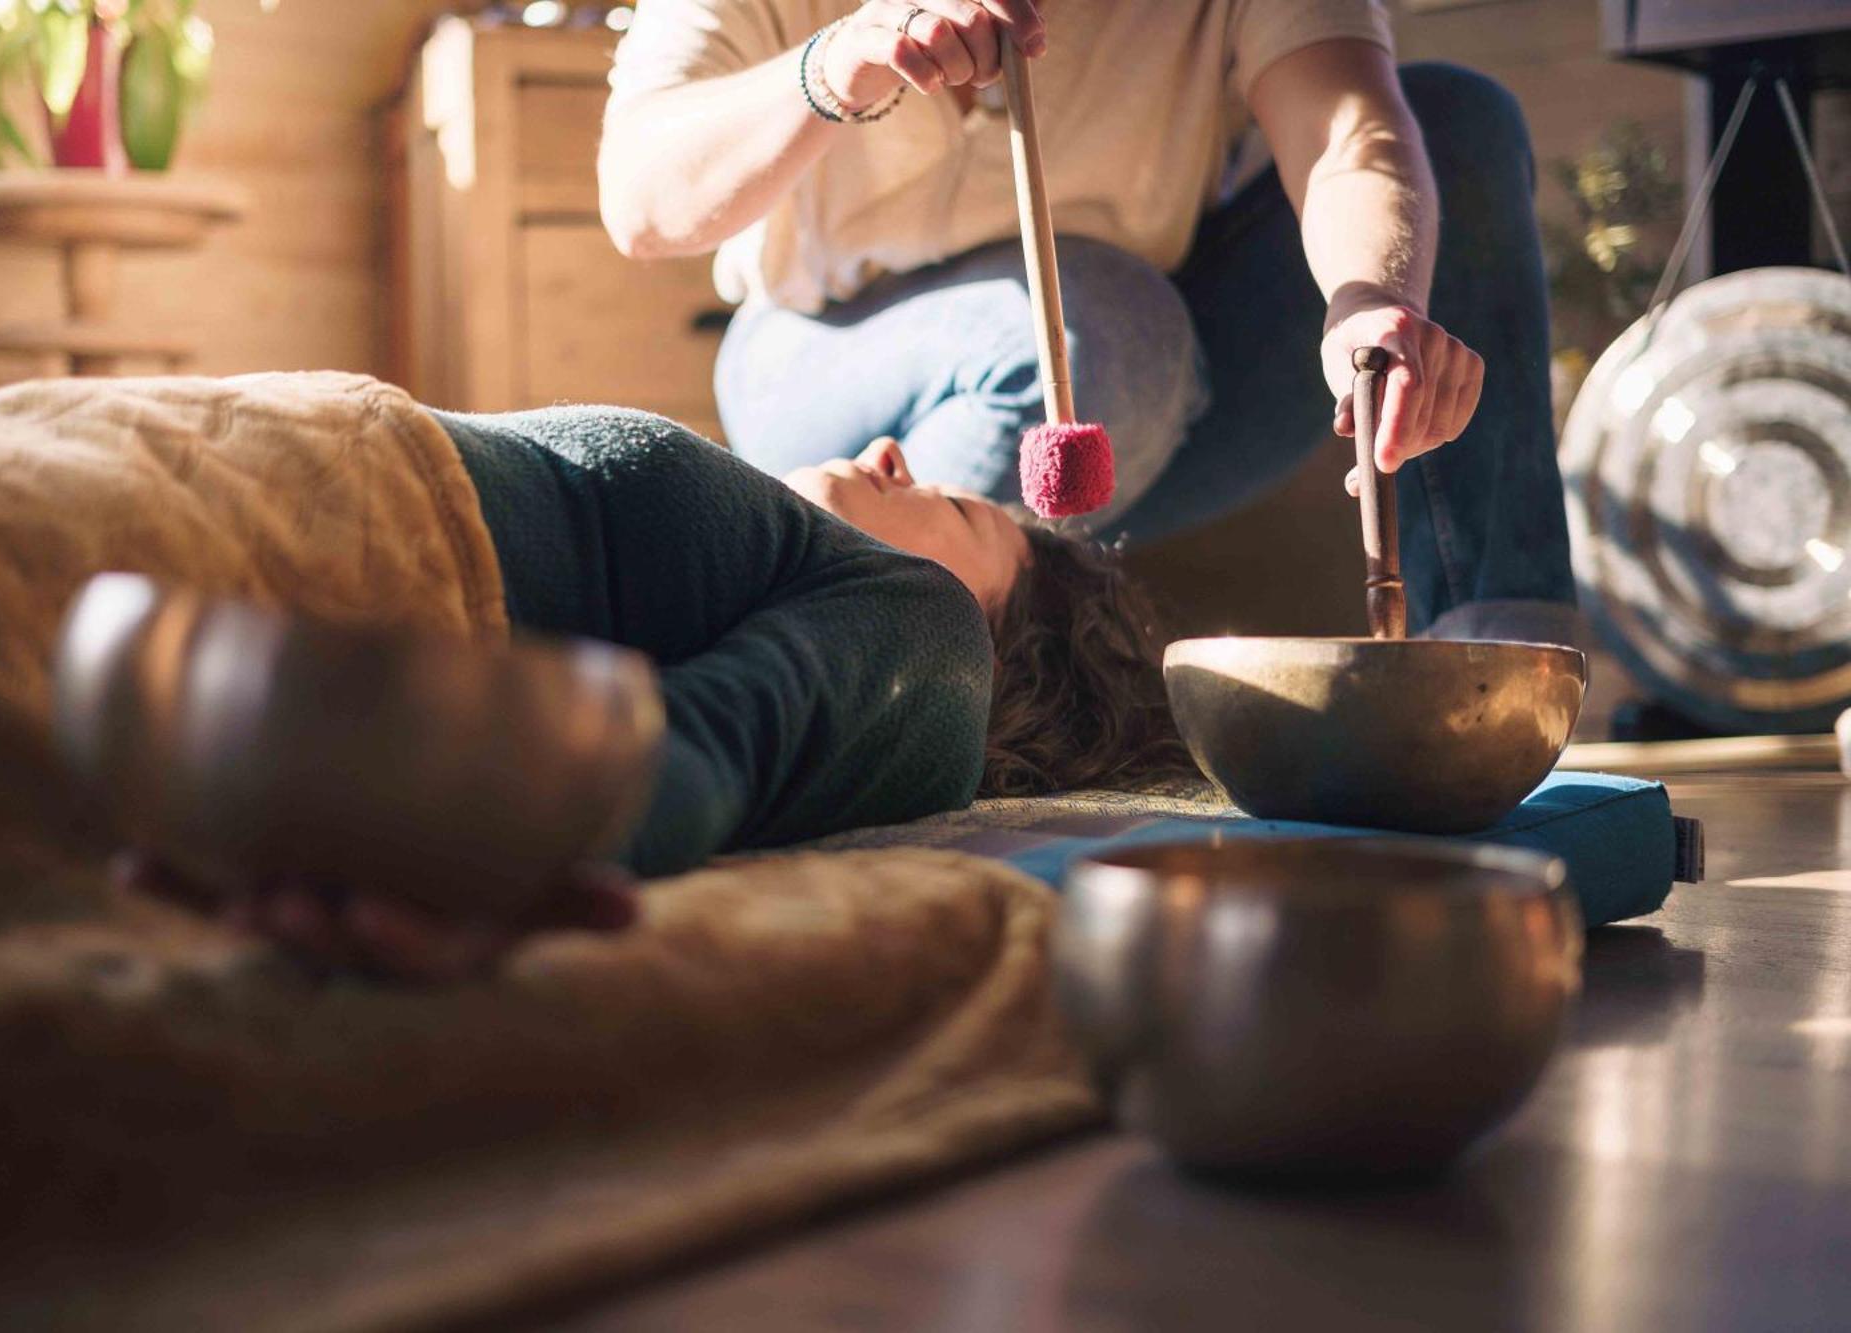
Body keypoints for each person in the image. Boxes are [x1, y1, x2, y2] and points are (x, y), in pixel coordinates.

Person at [597, 0, 1580, 647]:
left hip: (1132, 401)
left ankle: (1497, 673)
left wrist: (1373, 299)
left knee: (1453, 128)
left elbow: (1348, 132)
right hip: (826, 365)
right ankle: (880, 670)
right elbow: (641, 203)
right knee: (1091, 321)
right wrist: (834, 67)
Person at [130, 407, 1187, 982]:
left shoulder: (927, 630)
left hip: (244, 532)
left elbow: (690, 757)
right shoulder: (789, 563)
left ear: (994, 661)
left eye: (956, 508)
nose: (889, 448)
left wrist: (481, 866)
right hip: (201, 447)